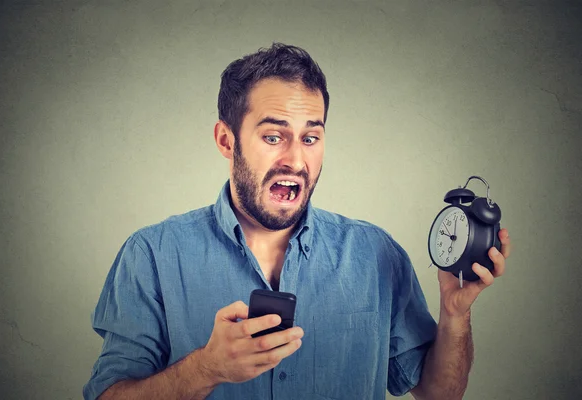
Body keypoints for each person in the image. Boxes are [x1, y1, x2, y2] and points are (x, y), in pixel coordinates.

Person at [83, 43, 511, 400]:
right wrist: (204, 369)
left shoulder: (376, 254)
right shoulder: (153, 255)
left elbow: (440, 394)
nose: (295, 159)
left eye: (310, 137)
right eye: (273, 136)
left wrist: (455, 314)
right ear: (226, 140)